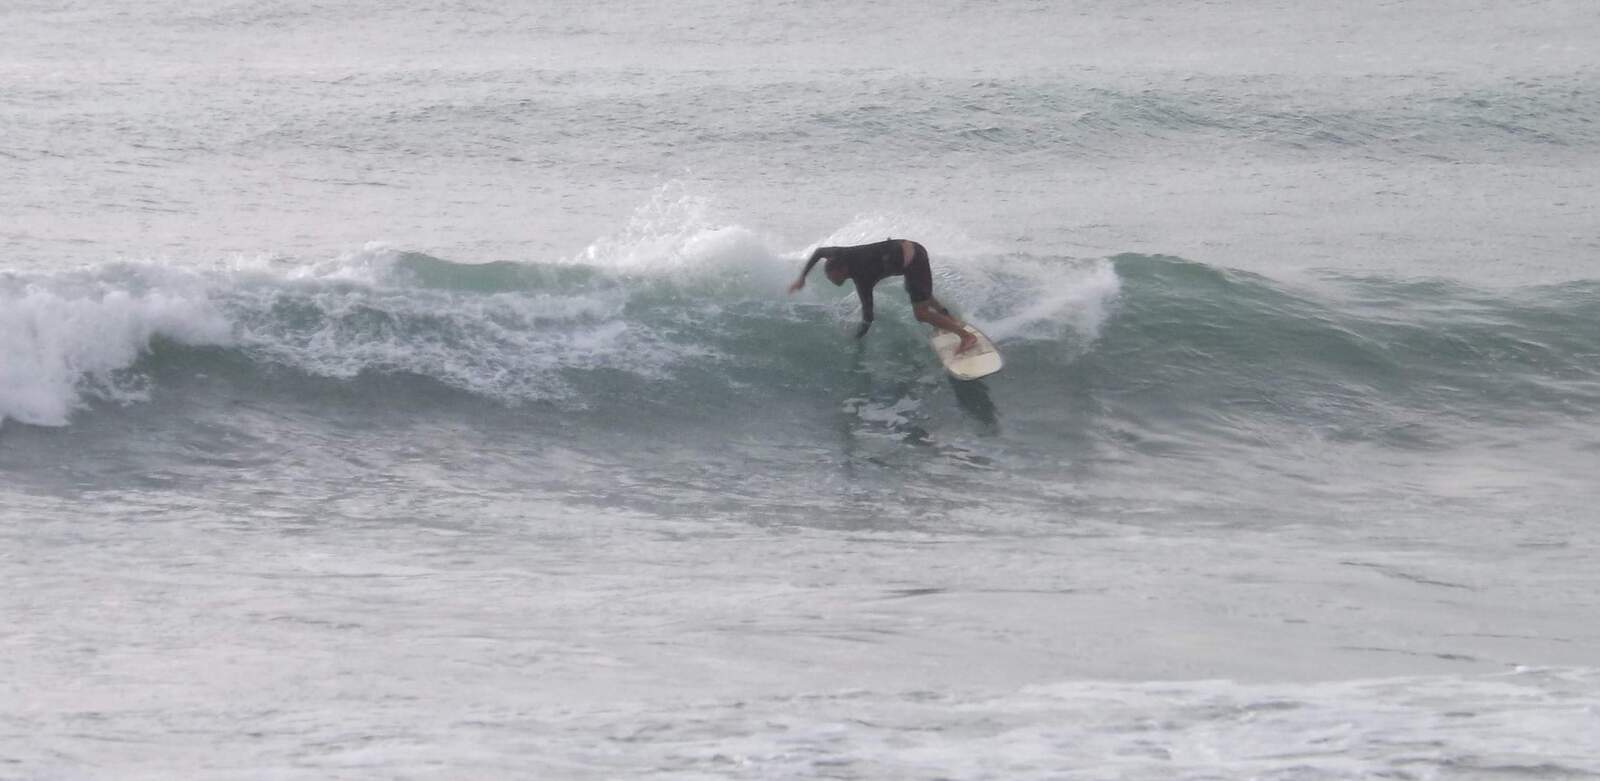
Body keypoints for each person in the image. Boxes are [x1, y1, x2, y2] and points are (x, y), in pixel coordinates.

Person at [787, 238, 978, 354]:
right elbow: (868, 315)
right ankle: (946, 315)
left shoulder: (854, 266)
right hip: (904, 260)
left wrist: (801, 277)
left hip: (912, 256)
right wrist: (858, 337)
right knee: (915, 290)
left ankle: (966, 337)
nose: (830, 279)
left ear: (841, 269)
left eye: (831, 275)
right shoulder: (851, 268)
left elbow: (819, 252)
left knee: (921, 313)